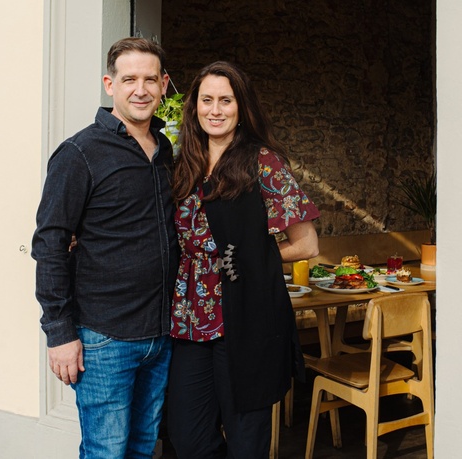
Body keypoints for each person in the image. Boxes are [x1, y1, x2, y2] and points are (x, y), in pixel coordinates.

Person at [32, 37, 178, 459]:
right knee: (106, 452)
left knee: (142, 448)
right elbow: (50, 244)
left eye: (150, 79)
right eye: (129, 79)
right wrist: (59, 333)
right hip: (104, 337)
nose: (141, 89)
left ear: (164, 84)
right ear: (109, 84)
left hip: (160, 334)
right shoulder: (79, 152)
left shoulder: (164, 149)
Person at [167, 61, 320, 458]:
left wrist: (252, 258)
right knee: (186, 436)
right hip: (190, 319)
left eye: (226, 100)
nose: (215, 110)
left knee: (246, 441)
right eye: (207, 100)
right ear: (194, 107)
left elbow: (306, 244)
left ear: (241, 107)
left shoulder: (262, 162)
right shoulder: (184, 163)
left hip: (246, 318)